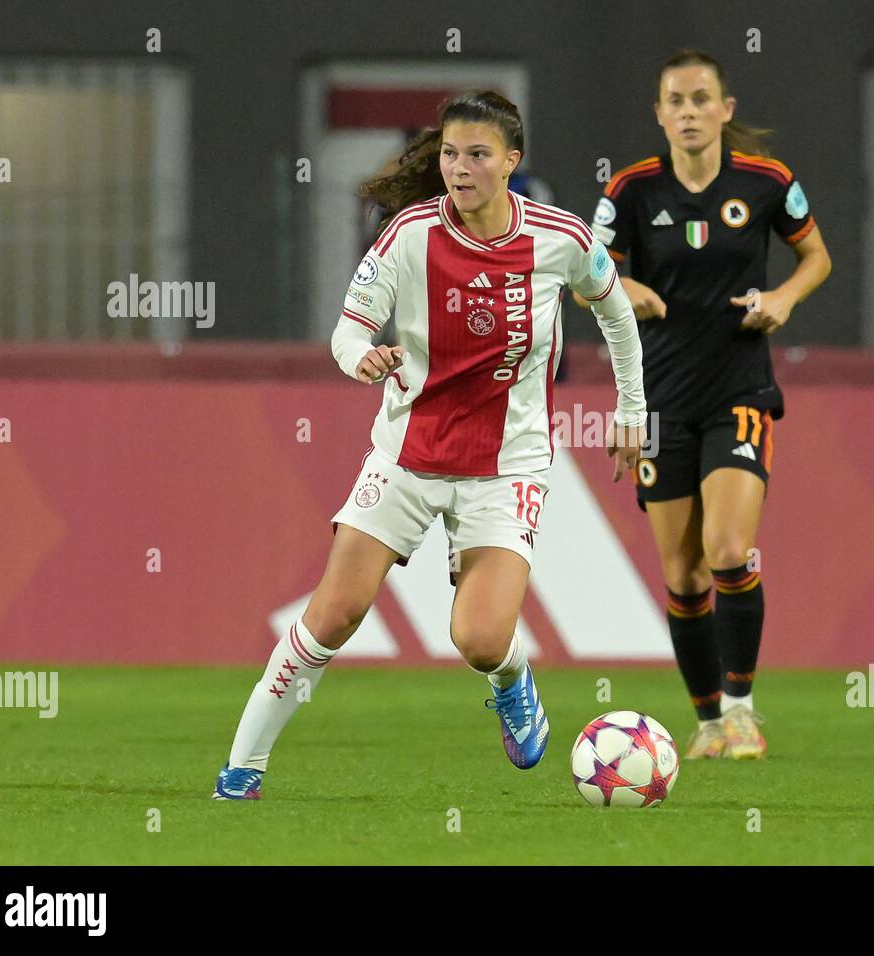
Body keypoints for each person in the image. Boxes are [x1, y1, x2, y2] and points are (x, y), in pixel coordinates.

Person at [212, 90, 646, 799]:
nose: (460, 168)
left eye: (478, 155)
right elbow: (349, 329)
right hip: (407, 456)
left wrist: (633, 411)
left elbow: (618, 315)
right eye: (450, 154)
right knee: (332, 614)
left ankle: (512, 682)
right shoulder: (409, 233)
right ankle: (243, 769)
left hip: (505, 466)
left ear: (513, 161)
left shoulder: (560, 238)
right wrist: (362, 359)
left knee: (477, 638)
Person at [577, 50, 831, 759]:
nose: (688, 112)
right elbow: (584, 275)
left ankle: (745, 709)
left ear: (725, 109)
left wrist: (782, 298)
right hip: (659, 401)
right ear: (659, 115)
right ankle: (710, 721)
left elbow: (816, 257)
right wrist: (623, 290)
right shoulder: (628, 192)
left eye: (701, 99)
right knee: (683, 577)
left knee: (726, 551)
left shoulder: (767, 183)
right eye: (675, 101)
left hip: (738, 390)